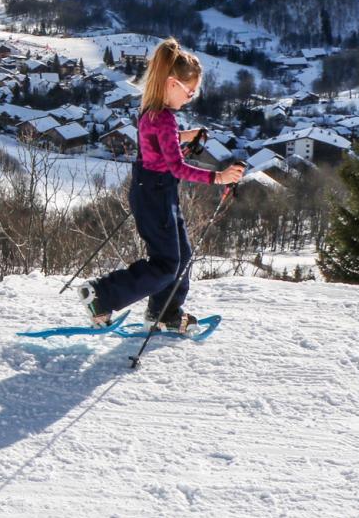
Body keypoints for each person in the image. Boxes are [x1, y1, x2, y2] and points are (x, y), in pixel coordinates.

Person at [79, 37, 243, 334]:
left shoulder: (150, 110)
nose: (191, 98)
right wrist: (219, 177)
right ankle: (101, 295)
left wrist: (183, 135)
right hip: (155, 194)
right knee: (167, 263)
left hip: (153, 191)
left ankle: (165, 312)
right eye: (189, 91)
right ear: (171, 84)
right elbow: (177, 167)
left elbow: (155, 141)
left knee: (181, 256)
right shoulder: (165, 119)